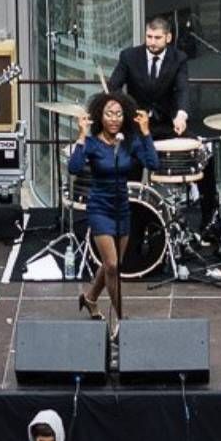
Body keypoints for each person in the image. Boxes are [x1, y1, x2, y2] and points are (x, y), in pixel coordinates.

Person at [67, 95, 159, 332]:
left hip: (122, 208)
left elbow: (153, 163)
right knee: (112, 265)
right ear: (99, 115)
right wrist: (81, 135)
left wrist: (146, 132)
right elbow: (74, 167)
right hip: (99, 208)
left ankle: (89, 299)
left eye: (118, 114)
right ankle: (121, 318)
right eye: (109, 113)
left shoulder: (129, 141)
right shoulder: (93, 143)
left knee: (111, 266)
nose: (114, 119)